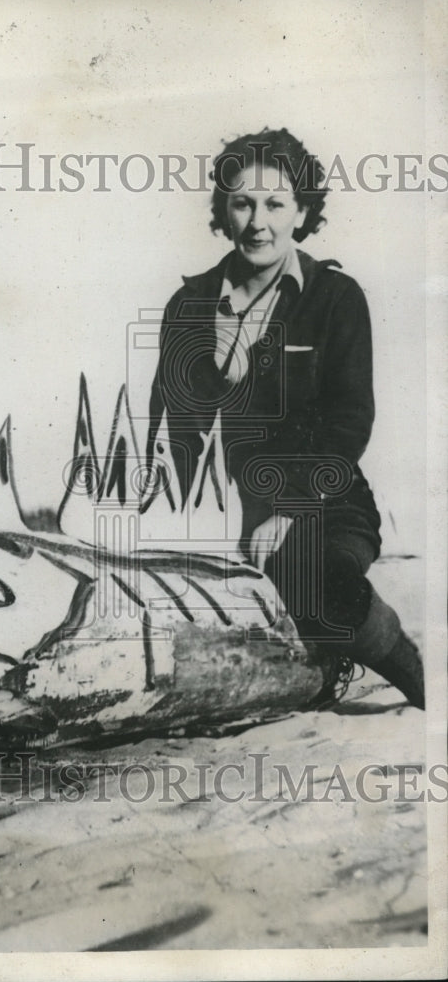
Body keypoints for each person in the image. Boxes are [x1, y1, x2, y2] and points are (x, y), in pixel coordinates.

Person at [147, 127, 424, 709]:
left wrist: (289, 510)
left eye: (275, 203)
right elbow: (170, 432)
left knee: (310, 578)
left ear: (302, 211)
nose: (258, 221)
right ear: (223, 209)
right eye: (243, 202)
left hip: (325, 503)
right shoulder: (188, 305)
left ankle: (414, 672)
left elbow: (349, 422)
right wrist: (216, 378)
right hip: (216, 513)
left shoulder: (336, 297)